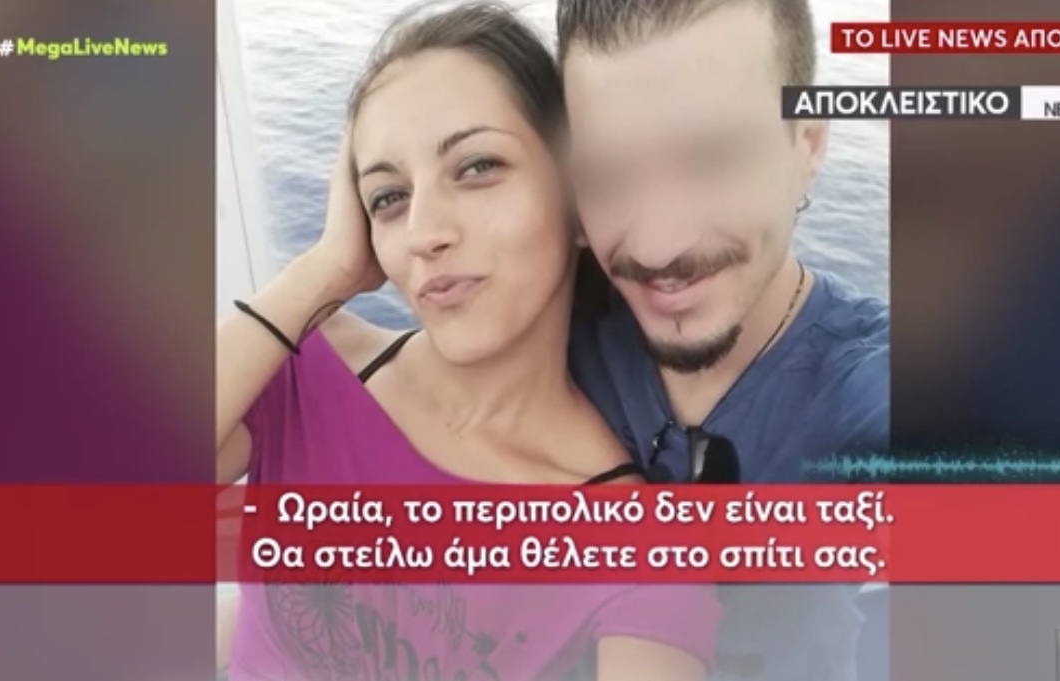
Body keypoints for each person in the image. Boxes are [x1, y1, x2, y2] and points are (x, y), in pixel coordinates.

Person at [215, 3, 720, 680]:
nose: (424, 232)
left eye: (478, 166)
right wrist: (325, 269)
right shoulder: (306, 366)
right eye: (388, 197)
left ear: (582, 203)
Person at [557, 0, 888, 679]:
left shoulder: (860, 384)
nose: (659, 245)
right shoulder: (556, 332)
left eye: (713, 159)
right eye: (609, 174)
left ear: (808, 143)